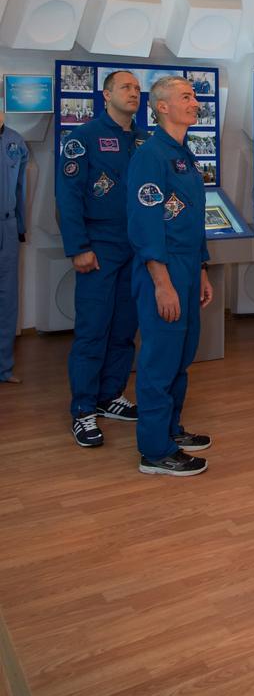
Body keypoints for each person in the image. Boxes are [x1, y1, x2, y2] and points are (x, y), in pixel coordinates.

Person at [127, 76, 213, 477]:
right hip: (162, 268)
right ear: (162, 107)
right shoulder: (151, 155)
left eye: (194, 96)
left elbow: (192, 219)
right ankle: (155, 451)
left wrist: (201, 270)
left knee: (181, 355)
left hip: (187, 265)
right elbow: (146, 225)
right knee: (160, 359)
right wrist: (162, 283)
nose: (195, 102)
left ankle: (171, 430)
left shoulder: (184, 152)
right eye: (186, 96)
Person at [56, 69, 145, 446]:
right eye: (125, 87)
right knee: (93, 329)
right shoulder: (83, 138)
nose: (133, 93)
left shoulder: (144, 140)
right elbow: (67, 196)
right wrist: (78, 247)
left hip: (136, 247)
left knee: (125, 329)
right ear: (105, 95)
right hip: (99, 245)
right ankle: (83, 409)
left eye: (138, 88)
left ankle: (111, 396)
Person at [0, 106, 28, 385]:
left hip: (7, 226)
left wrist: (21, 226)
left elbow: (21, 187)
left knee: (7, 298)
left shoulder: (15, 142)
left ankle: (3, 367)